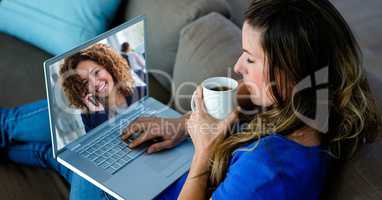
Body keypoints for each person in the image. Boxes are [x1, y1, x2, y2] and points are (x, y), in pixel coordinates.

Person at [0, 0, 379, 199]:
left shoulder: (270, 172)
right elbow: (251, 94)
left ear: (289, 74)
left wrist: (204, 147)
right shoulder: (309, 108)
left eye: (250, 58)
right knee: (75, 147)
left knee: (87, 141)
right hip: (158, 177)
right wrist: (181, 124)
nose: (237, 66)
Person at [59, 43, 147, 132]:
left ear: (108, 67)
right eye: (85, 82)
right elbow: (101, 145)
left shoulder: (142, 93)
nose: (95, 83)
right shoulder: (90, 115)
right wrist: (99, 114)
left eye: (96, 72)